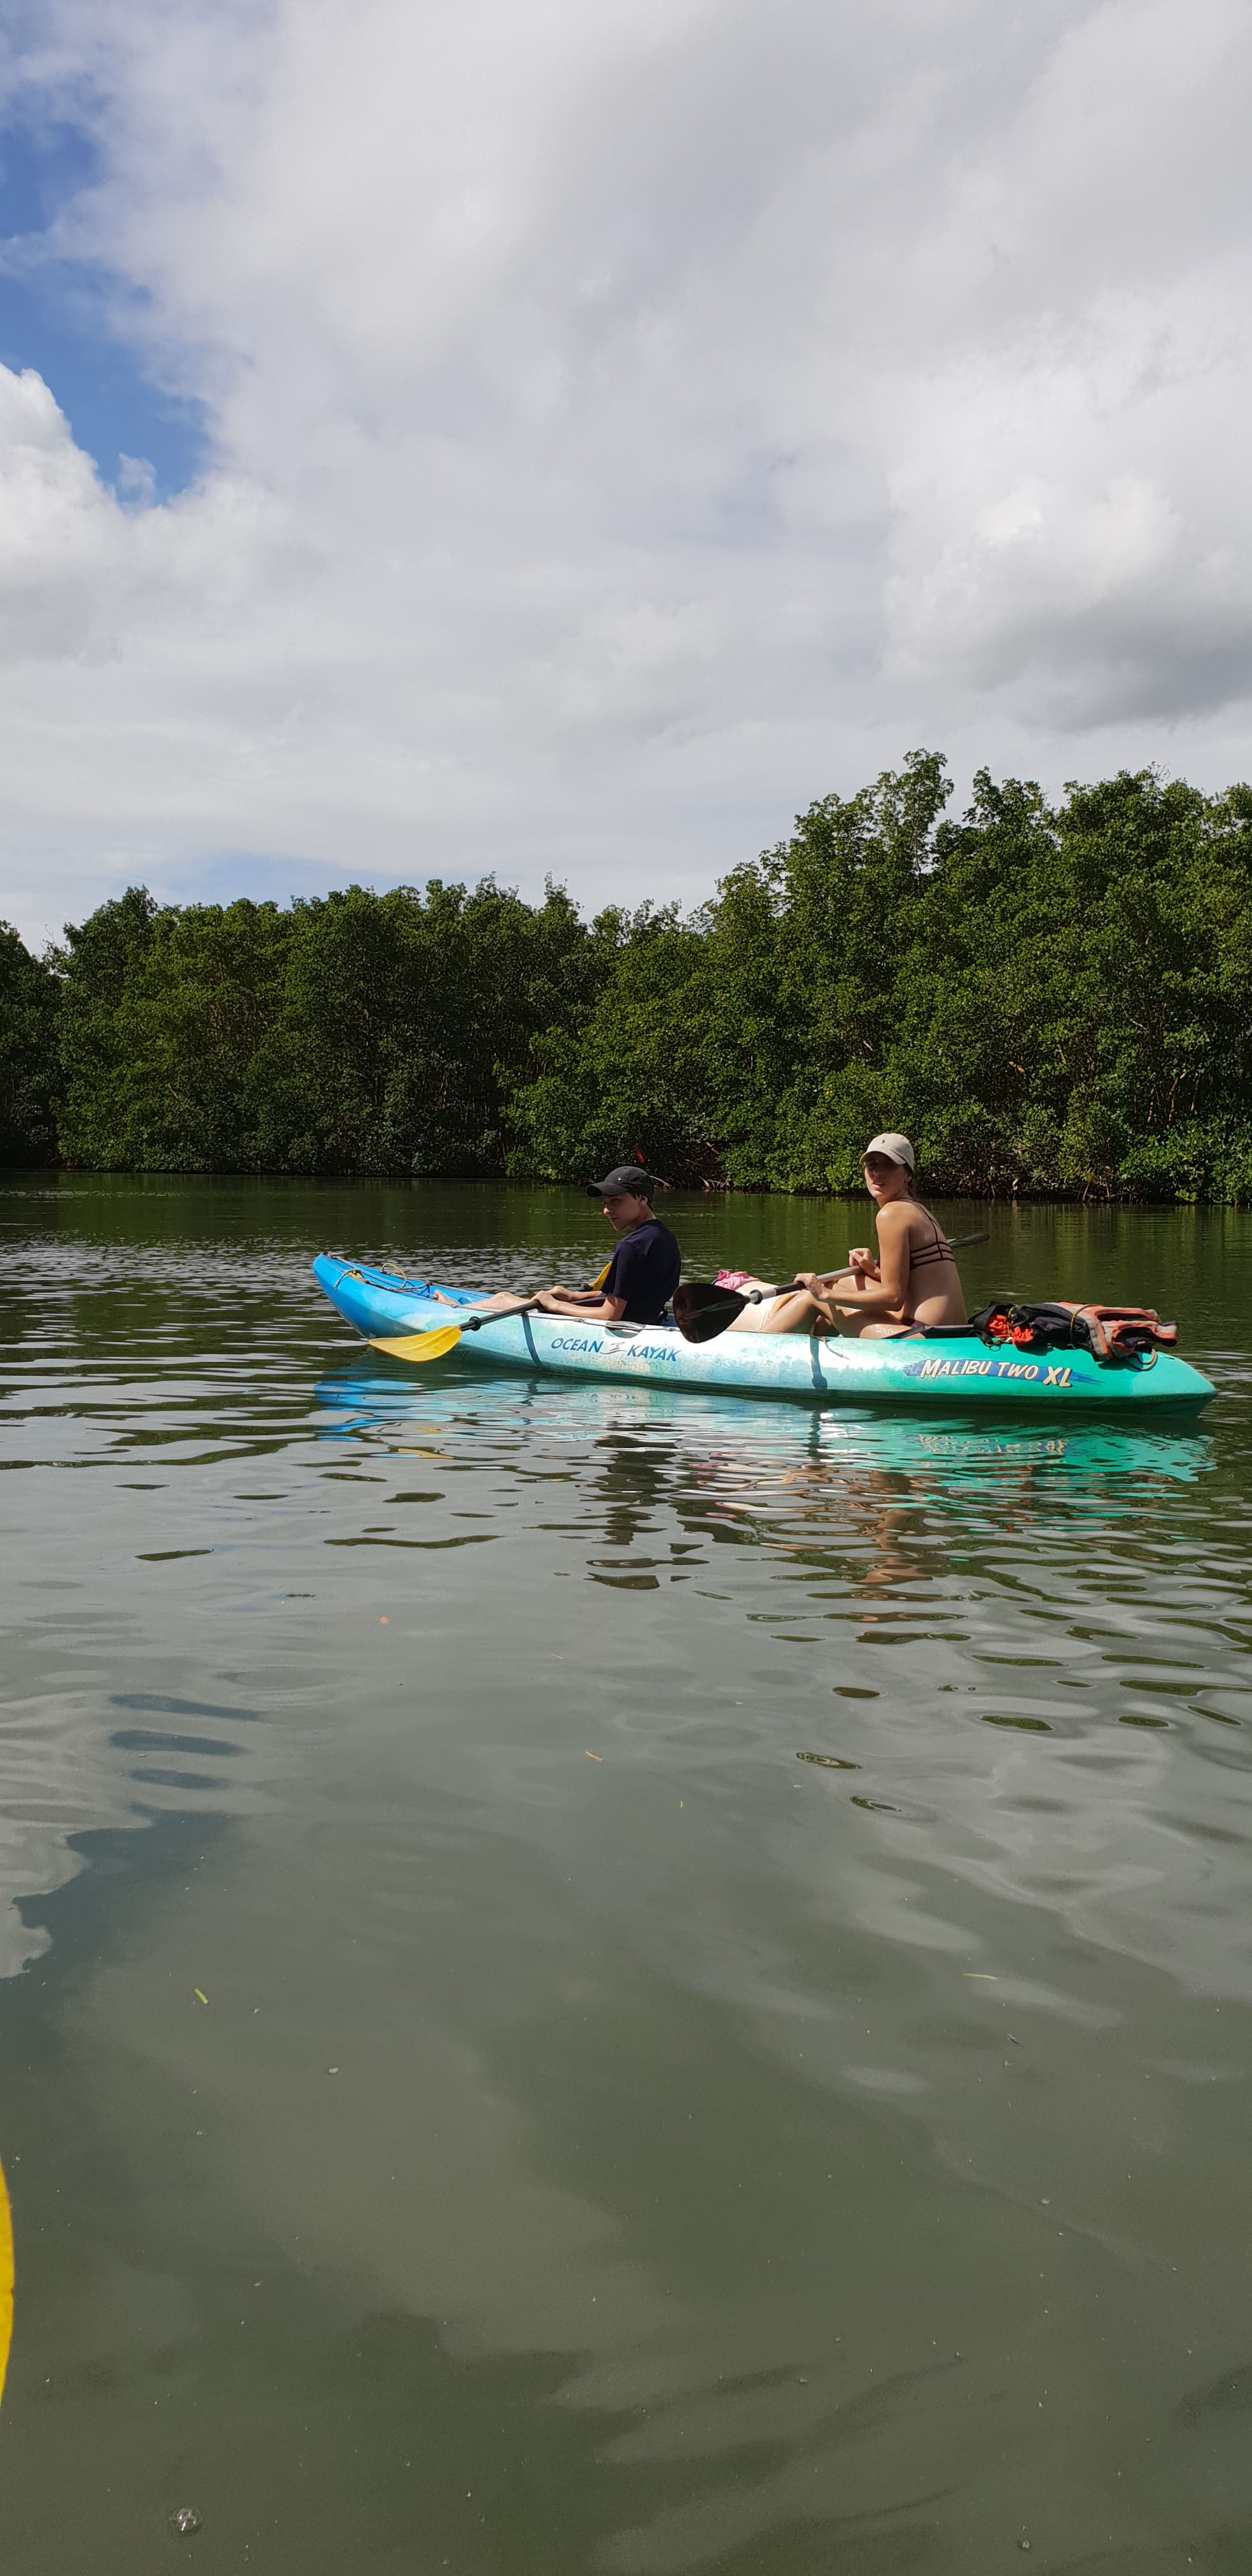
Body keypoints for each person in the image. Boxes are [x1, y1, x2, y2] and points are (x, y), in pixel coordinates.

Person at [731, 1132, 966, 1338]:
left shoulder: (891, 1214)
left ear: (908, 1174)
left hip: (924, 1337)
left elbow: (894, 1298)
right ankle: (821, 1347)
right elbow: (912, 1284)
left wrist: (825, 1294)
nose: (878, 1173)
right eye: (872, 1165)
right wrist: (872, 1271)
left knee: (814, 1298)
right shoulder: (917, 1209)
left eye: (889, 1165)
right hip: (949, 1331)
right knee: (844, 1282)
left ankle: (755, 1351)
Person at [475, 1166, 681, 1326]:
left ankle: (451, 1309)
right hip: (649, 1320)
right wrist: (573, 1296)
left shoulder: (630, 1247)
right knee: (508, 1298)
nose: (607, 1211)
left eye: (616, 1201)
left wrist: (555, 1305)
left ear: (642, 1199)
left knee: (503, 1299)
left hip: (623, 1327)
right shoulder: (666, 1238)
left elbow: (610, 1314)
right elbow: (633, 1295)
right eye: (605, 1203)